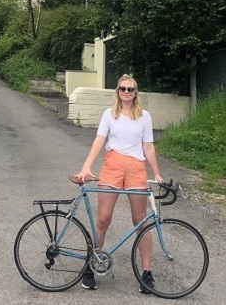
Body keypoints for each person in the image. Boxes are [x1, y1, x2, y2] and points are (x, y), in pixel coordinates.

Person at [73, 74, 163, 293]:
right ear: (117, 91)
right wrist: (86, 167)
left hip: (135, 168)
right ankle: (90, 266)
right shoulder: (109, 114)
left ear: (135, 93)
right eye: (122, 89)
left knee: (140, 221)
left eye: (130, 89)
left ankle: (146, 274)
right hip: (112, 165)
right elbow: (99, 140)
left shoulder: (144, 117)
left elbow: (148, 146)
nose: (126, 93)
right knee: (103, 219)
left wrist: (157, 173)